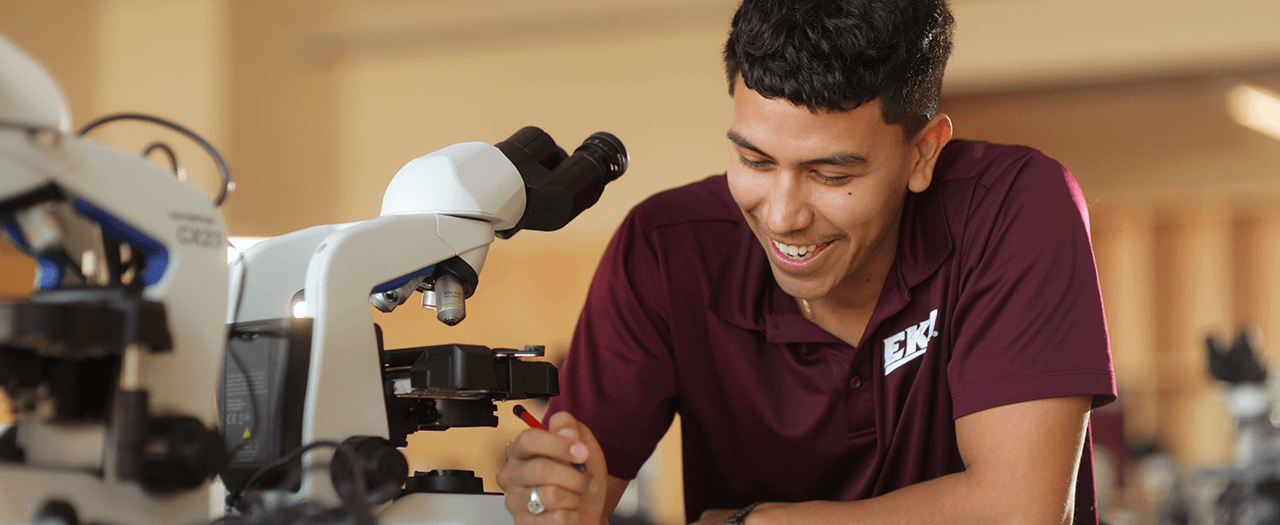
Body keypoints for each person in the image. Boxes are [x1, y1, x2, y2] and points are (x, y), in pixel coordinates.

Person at [496, 0, 1116, 524]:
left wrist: (758, 523)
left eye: (830, 172)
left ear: (923, 154)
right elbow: (576, 494)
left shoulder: (1013, 205)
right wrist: (553, 497)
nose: (785, 215)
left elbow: (1017, 510)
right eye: (757, 162)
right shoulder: (665, 249)